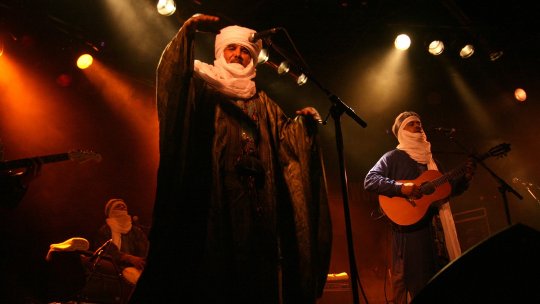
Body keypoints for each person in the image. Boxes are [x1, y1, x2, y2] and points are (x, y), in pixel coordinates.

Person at [129, 14, 332, 304]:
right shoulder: (201, 85)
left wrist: (303, 127)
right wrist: (188, 32)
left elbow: (286, 145)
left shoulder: (262, 102)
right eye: (232, 49)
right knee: (212, 276)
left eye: (245, 52)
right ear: (220, 51)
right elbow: (172, 82)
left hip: (257, 211)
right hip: (212, 204)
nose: (238, 55)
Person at [363, 111, 476, 304]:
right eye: (411, 124)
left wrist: (465, 179)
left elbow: (444, 192)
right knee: (419, 286)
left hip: (437, 231)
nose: (418, 126)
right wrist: (400, 188)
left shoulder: (432, 162)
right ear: (401, 132)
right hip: (411, 234)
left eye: (419, 122)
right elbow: (370, 180)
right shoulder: (393, 157)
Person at [93, 198, 149, 282]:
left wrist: (140, 262)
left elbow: (144, 249)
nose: (122, 207)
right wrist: (128, 258)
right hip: (113, 267)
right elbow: (107, 250)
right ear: (110, 211)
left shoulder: (136, 230)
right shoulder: (105, 230)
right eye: (118, 206)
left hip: (135, 267)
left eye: (124, 206)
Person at [0, 138, 42, 209]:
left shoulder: (5, 176)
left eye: (1, 147)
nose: (2, 151)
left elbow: (7, 204)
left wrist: (22, 183)